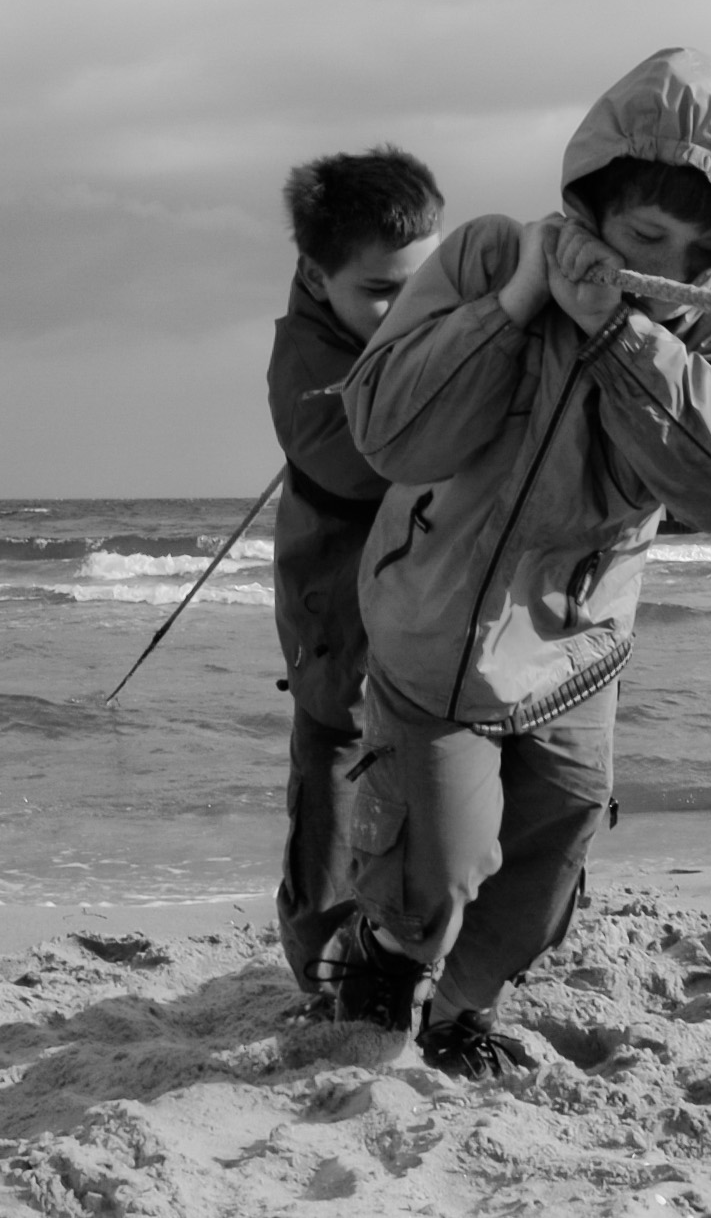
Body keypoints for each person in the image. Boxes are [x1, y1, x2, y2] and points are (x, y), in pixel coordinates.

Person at [336, 47, 711, 1077]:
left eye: (694, 245)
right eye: (644, 235)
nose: (665, 262)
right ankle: (383, 949)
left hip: (578, 646)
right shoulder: (488, 254)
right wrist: (516, 308)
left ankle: (459, 1005)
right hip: (434, 624)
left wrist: (623, 335)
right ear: (591, 198)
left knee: (546, 873)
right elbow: (388, 432)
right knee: (435, 875)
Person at [267, 146, 445, 1007]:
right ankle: (318, 960)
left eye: (418, 282)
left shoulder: (429, 316)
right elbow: (371, 461)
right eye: (378, 292)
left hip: (419, 586)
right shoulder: (302, 362)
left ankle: (405, 938)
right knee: (335, 758)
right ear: (315, 271)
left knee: (427, 761)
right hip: (331, 595)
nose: (401, 306)